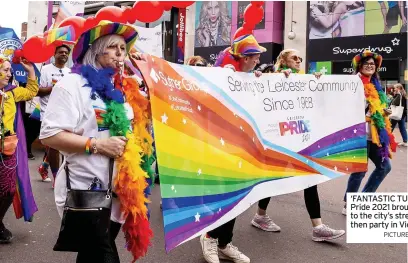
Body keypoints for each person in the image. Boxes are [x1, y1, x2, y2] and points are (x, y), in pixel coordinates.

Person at [39, 21, 154, 262]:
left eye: (123, 49)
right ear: (96, 49)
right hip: (85, 192)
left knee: (92, 255)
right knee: (102, 255)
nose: (120, 54)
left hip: (117, 195)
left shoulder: (122, 87)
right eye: (113, 47)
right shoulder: (72, 85)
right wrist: (97, 145)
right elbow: (49, 134)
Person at [251, 48, 346, 242]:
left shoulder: (303, 81)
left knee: (310, 180)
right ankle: (260, 216)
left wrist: (317, 82)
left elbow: (318, 103)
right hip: (277, 140)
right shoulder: (272, 76)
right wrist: (273, 77)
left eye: (300, 58)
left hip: (299, 139)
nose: (299, 61)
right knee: (271, 179)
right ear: (283, 60)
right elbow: (259, 97)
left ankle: (318, 227)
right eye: (295, 58)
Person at [200, 34, 265, 263]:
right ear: (243, 57)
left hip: (243, 146)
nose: (257, 61)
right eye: (254, 57)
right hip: (221, 145)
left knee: (238, 196)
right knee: (223, 195)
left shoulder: (247, 76)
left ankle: (225, 243)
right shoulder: (224, 75)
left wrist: (259, 79)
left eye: (257, 57)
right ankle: (210, 237)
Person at [342, 50, 397, 215]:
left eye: (373, 64)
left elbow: (377, 108)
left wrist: (383, 112)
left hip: (374, 133)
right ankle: (348, 203)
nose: (370, 65)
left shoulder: (377, 86)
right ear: (359, 66)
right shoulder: (352, 82)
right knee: (360, 170)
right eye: (366, 63)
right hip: (358, 133)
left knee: (385, 166)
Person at [0, 56, 38, 243]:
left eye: (10, 70)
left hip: (7, 149)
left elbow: (32, 91)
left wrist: (30, 70)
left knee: (8, 191)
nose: (9, 73)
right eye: (5, 70)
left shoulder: (12, 92)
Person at [37, 44, 71, 184]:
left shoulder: (70, 72)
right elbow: (38, 91)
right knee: (53, 146)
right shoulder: (45, 70)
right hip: (48, 113)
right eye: (60, 52)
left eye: (66, 53)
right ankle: (57, 177)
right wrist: (54, 87)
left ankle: (44, 167)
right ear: (55, 54)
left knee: (62, 145)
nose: (63, 54)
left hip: (66, 112)